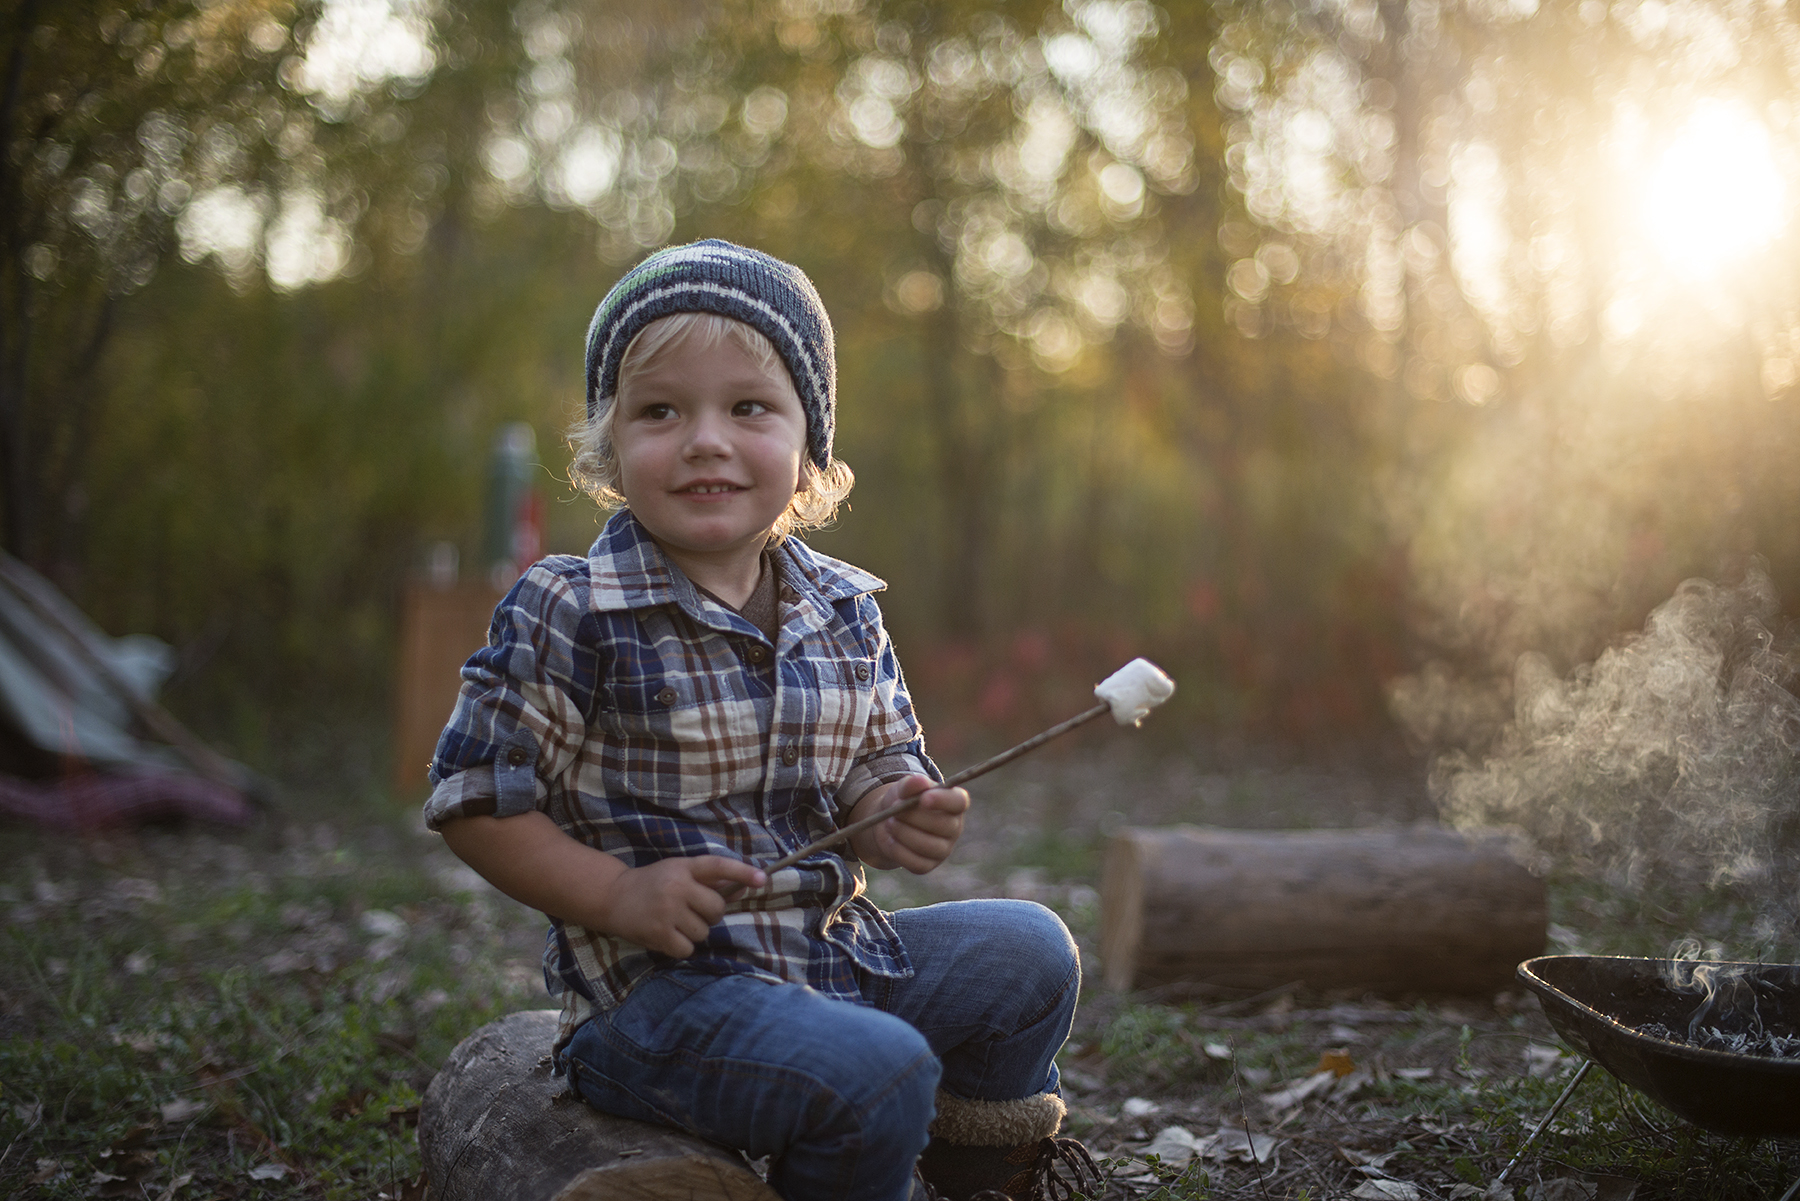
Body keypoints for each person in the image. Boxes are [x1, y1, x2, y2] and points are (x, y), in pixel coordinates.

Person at [424, 240, 1099, 1201]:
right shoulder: (571, 607)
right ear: (611, 443)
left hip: (832, 956)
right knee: (878, 1069)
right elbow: (474, 800)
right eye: (661, 411)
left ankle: (977, 1175)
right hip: (663, 1003)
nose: (705, 439)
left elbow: (877, 762)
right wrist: (619, 894)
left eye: (748, 407)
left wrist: (893, 809)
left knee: (1030, 952)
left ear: (808, 441)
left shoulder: (843, 606)